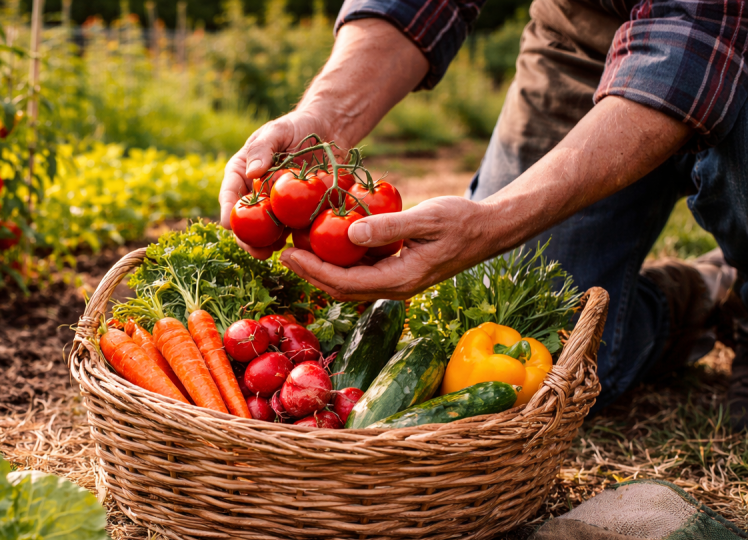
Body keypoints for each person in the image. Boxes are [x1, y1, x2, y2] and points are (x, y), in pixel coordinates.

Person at [218, 0, 748, 423]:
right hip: (588, 29)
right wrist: (323, 118)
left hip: (728, 37)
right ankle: (700, 290)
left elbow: (693, 38)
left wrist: (497, 220)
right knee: (555, 359)